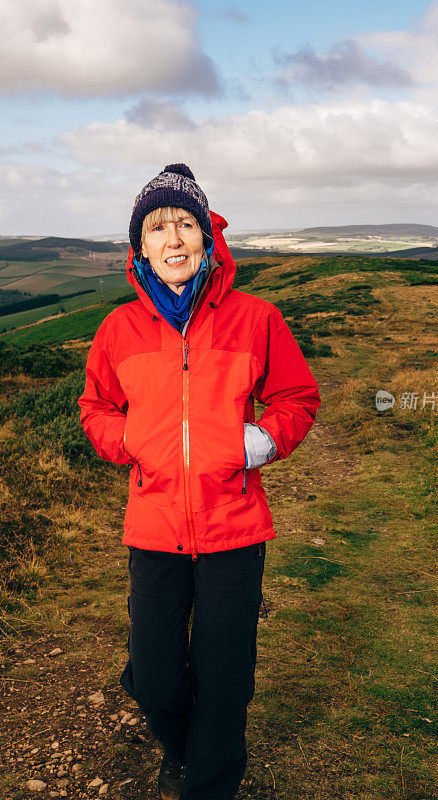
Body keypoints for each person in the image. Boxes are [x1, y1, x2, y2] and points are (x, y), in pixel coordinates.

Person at [77, 163, 321, 800]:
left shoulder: (255, 319)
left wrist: (259, 441)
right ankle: (183, 746)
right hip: (154, 527)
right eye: (158, 227)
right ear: (142, 247)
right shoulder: (118, 330)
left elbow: (297, 396)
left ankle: (209, 782)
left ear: (207, 237)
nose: (174, 238)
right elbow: (95, 407)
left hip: (234, 526)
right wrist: (130, 441)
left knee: (225, 676)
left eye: (185, 223)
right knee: (156, 680)